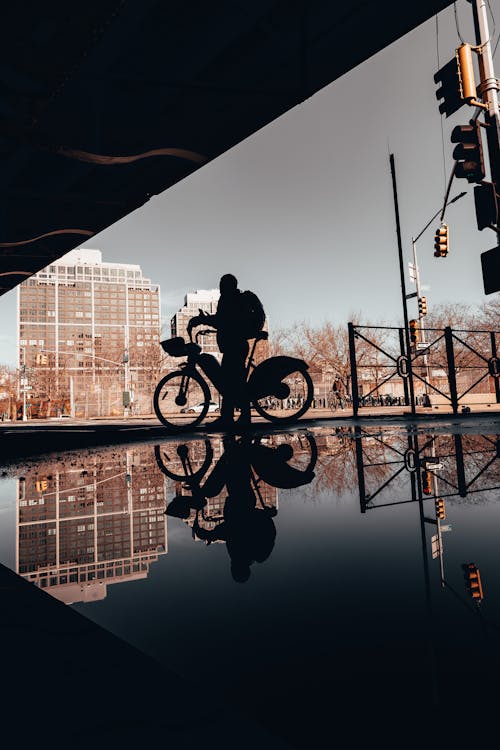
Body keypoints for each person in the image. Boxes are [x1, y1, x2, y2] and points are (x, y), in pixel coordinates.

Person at [187, 274, 264, 430]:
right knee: (231, 382)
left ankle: (235, 418)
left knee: (232, 382)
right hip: (234, 345)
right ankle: (231, 417)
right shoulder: (232, 299)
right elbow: (224, 321)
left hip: (235, 346)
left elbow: (223, 321)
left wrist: (200, 320)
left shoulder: (231, 300)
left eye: (223, 284)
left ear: (229, 285)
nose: (221, 287)